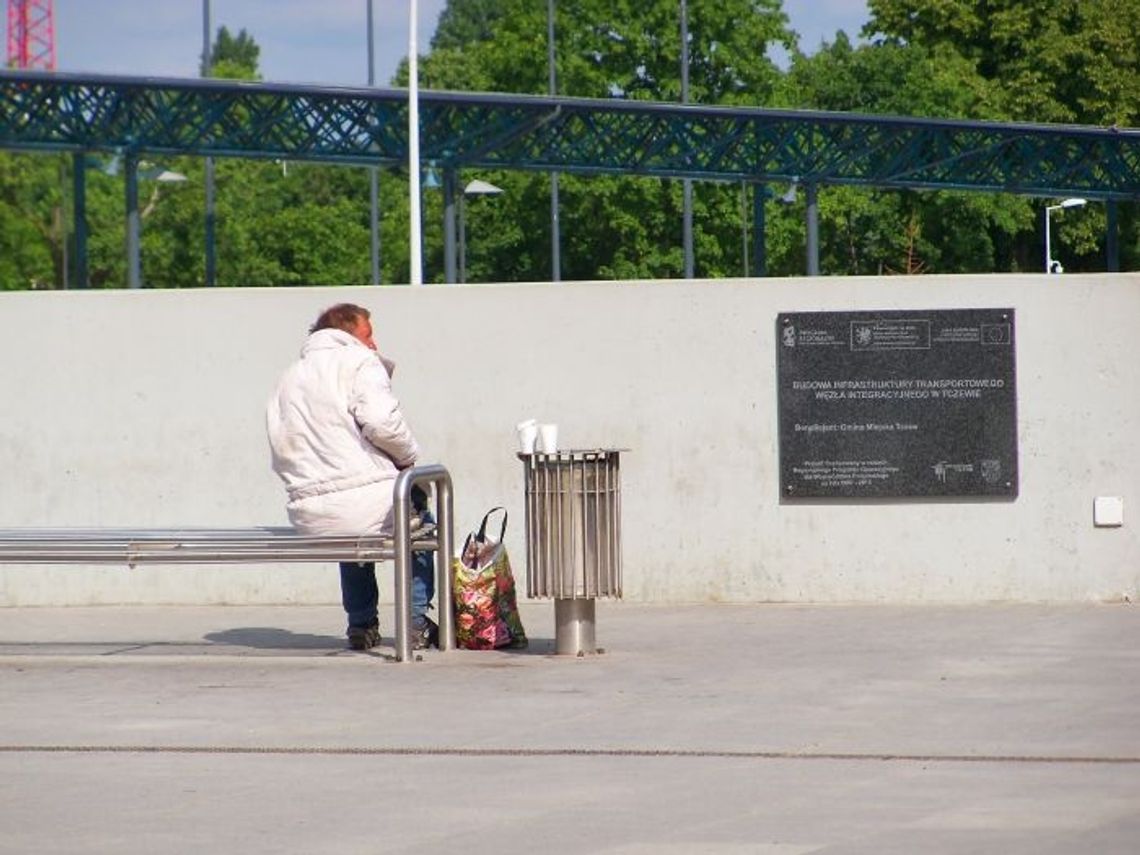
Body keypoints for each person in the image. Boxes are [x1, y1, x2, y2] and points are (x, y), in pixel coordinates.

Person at [266, 303, 437, 651]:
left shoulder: (290, 375)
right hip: (363, 503)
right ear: (346, 333)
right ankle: (416, 622)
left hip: (309, 513)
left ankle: (361, 624)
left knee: (354, 529)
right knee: (421, 522)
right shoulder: (358, 362)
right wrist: (407, 460)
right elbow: (382, 423)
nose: (373, 344)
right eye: (368, 334)